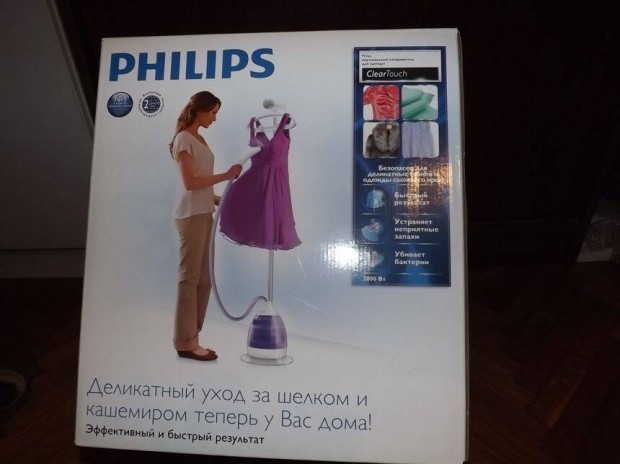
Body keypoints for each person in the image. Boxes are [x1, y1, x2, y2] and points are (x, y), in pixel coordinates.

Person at [169, 91, 242, 361]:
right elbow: (190, 183)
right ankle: (185, 342)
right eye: (212, 112)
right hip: (191, 216)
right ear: (200, 110)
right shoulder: (183, 139)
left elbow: (201, 186)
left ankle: (192, 337)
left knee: (204, 279)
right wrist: (226, 175)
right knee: (189, 279)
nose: (214, 118)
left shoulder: (199, 138)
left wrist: (221, 199)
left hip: (203, 212)